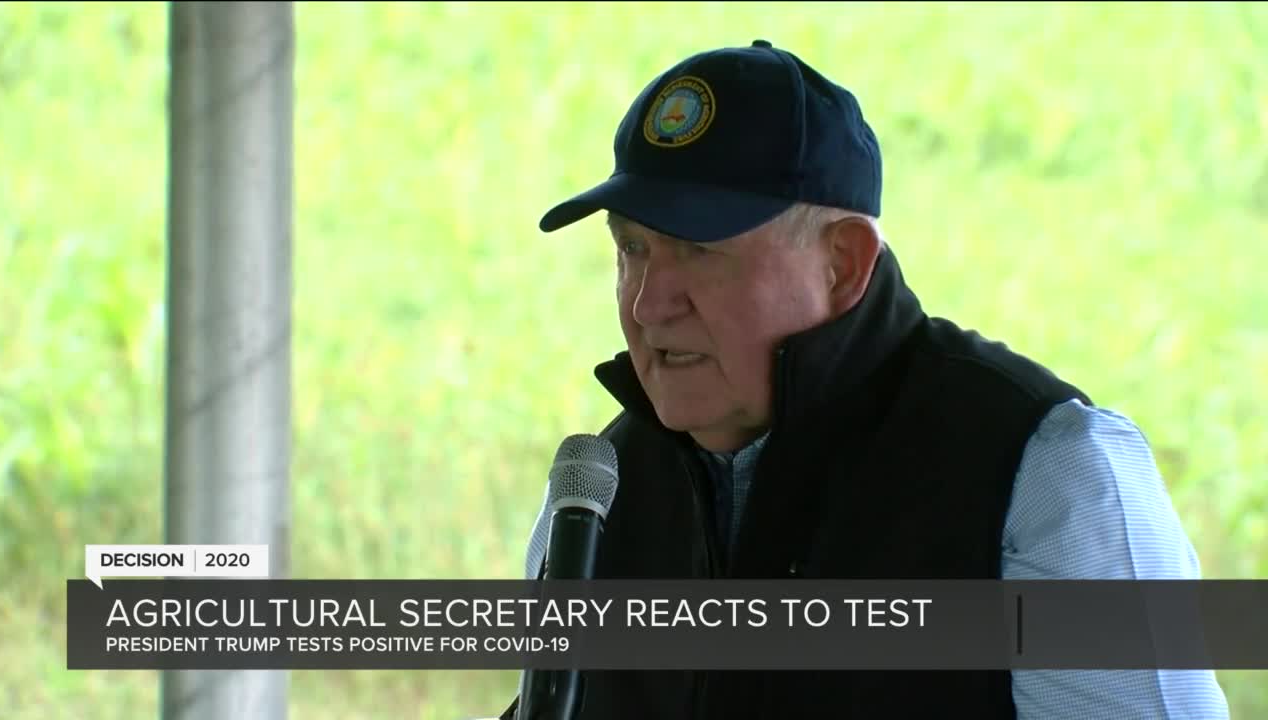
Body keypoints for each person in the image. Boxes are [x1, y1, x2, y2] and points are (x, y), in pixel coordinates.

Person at [503, 40, 1229, 719]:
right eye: (631, 248)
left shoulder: (1045, 472)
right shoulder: (600, 488)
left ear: (843, 263)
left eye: (698, 250)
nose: (647, 302)